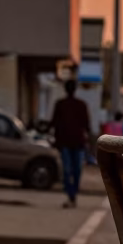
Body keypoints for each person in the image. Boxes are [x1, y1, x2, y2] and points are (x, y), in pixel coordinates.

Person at [50, 79, 90, 207]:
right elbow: (54, 122)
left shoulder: (80, 105)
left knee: (75, 170)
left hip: (77, 143)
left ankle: (72, 193)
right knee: (68, 170)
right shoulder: (61, 104)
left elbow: (86, 125)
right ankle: (71, 194)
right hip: (65, 143)